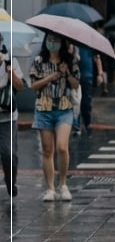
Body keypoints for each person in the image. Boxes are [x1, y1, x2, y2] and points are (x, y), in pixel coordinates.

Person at [27, 34, 81, 202]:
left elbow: (76, 84)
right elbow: (33, 86)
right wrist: (50, 77)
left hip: (64, 107)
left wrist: (66, 73)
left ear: (62, 43)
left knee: (62, 147)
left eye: (56, 40)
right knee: (47, 149)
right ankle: (50, 187)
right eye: (50, 39)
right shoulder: (39, 60)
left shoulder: (70, 60)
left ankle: (63, 184)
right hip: (44, 108)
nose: (53, 43)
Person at [2, 35, 26, 196]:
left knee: (9, 153)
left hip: (7, 117)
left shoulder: (10, 61)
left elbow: (20, 86)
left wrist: (9, 70)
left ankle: (11, 181)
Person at [71, 40, 103, 135]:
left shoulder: (90, 44)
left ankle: (87, 123)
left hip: (87, 76)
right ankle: (76, 125)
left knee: (86, 102)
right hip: (74, 77)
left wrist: (100, 74)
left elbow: (97, 58)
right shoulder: (73, 44)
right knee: (75, 101)